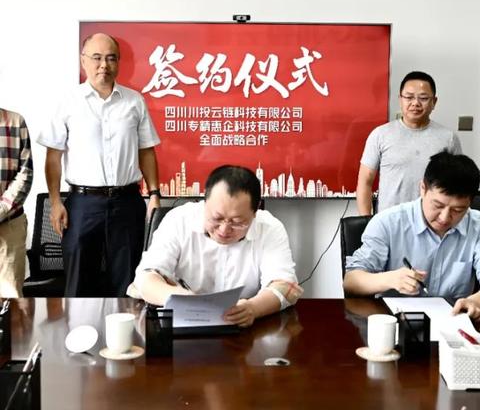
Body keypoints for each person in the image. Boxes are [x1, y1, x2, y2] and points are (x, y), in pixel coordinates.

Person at [37, 33, 161, 297]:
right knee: (79, 284)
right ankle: (80, 326)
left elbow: (147, 151)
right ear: (83, 61)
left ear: (118, 62)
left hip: (127, 202)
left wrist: (154, 194)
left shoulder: (134, 101)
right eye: (96, 58)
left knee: (128, 283)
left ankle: (128, 327)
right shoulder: (68, 101)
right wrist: (56, 202)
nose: (104, 65)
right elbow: (53, 157)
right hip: (83, 205)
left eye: (111, 58)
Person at [132, 165, 303, 327]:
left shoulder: (270, 228)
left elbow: (284, 285)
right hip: (182, 325)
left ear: (255, 212)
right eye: (217, 218)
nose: (224, 230)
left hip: (243, 328)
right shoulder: (178, 220)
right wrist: (180, 298)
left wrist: (253, 308)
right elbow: (146, 277)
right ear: (204, 202)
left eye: (238, 222)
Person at [344, 151, 480, 319]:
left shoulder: (477, 226)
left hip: (454, 321)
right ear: (423, 189)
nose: (444, 217)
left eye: (458, 210)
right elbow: (351, 281)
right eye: (438, 205)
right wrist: (389, 279)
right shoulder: (388, 223)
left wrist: (475, 301)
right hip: (395, 323)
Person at [356, 71, 462, 215]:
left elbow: (458, 184)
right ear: (400, 100)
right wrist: (366, 221)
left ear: (434, 102)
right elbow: (365, 182)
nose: (415, 103)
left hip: (433, 222)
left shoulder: (449, 138)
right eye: (409, 97)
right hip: (389, 221)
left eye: (423, 98)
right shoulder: (380, 135)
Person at [0, 109, 33, 297]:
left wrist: (1, 209)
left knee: (10, 300)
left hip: (9, 225)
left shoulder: (15, 122)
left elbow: (25, 174)